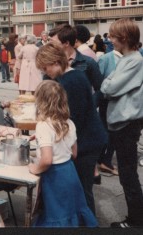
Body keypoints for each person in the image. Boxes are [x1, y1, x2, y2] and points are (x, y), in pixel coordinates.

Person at [36, 42, 107, 215]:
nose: (46, 73)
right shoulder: (69, 77)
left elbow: (72, 118)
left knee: (82, 189)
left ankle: (88, 224)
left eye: (46, 68)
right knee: (81, 187)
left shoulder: (71, 81)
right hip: (86, 138)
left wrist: (48, 133)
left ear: (55, 62)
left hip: (88, 141)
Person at [28, 80, 98, 227]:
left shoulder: (43, 126)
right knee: (70, 213)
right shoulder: (69, 123)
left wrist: (35, 168)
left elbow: (47, 160)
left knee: (56, 214)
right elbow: (74, 154)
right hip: (70, 172)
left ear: (40, 102)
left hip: (54, 177)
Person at [101, 18, 143, 228]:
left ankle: (136, 221)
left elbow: (108, 87)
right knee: (127, 174)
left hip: (126, 124)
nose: (109, 40)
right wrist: (109, 82)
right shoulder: (126, 59)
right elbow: (109, 84)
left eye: (112, 36)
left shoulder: (134, 60)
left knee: (128, 175)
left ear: (124, 38)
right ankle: (136, 218)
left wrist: (109, 82)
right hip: (123, 123)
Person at [97, 50, 122, 176]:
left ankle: (104, 158)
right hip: (106, 101)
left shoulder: (131, 58)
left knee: (112, 130)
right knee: (108, 130)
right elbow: (98, 82)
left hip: (120, 102)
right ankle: (104, 160)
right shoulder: (106, 58)